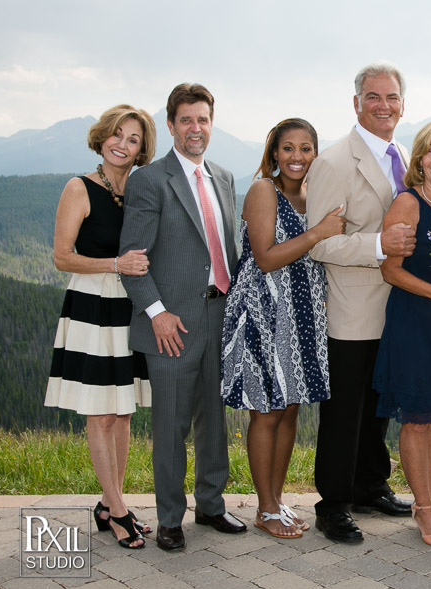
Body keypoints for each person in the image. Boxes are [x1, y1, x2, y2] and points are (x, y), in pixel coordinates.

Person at [119, 83, 246, 552]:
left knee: (215, 421)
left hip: (220, 316)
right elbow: (132, 257)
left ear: (212, 124)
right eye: (187, 120)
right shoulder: (149, 180)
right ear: (171, 125)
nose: (196, 128)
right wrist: (156, 313)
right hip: (172, 323)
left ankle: (211, 506)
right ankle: (171, 519)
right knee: (170, 426)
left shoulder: (225, 178)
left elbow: (229, 250)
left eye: (203, 119)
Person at [305, 62, 417, 544]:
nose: (383, 106)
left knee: (378, 406)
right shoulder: (332, 163)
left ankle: (370, 484)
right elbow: (319, 245)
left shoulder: (404, 154)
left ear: (402, 103)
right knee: (345, 411)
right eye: (373, 97)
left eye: (391, 97)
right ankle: (332, 505)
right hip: (351, 308)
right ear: (356, 103)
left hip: (398, 304)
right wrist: (378, 245)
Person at [221, 118, 344, 539]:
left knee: (290, 408)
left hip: (303, 315)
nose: (297, 157)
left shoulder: (313, 194)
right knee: (268, 410)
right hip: (264, 314)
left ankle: (277, 499)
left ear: (315, 153)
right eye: (288, 148)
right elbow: (267, 257)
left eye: (306, 148)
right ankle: (266, 507)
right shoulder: (262, 190)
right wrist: (318, 232)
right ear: (274, 152)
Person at [46, 104, 156, 549]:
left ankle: (111, 504)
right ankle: (119, 510)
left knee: (124, 409)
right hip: (92, 305)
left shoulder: (139, 190)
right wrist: (115, 263)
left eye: (133, 139)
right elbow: (61, 257)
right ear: (102, 136)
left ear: (141, 148)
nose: (122, 144)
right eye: (117, 134)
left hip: (129, 306)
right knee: (101, 411)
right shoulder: (79, 188)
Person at [373, 119, 431, 548]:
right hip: (416, 318)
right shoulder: (408, 203)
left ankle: (428, 498)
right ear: (419, 159)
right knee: (416, 417)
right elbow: (389, 269)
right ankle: (425, 506)